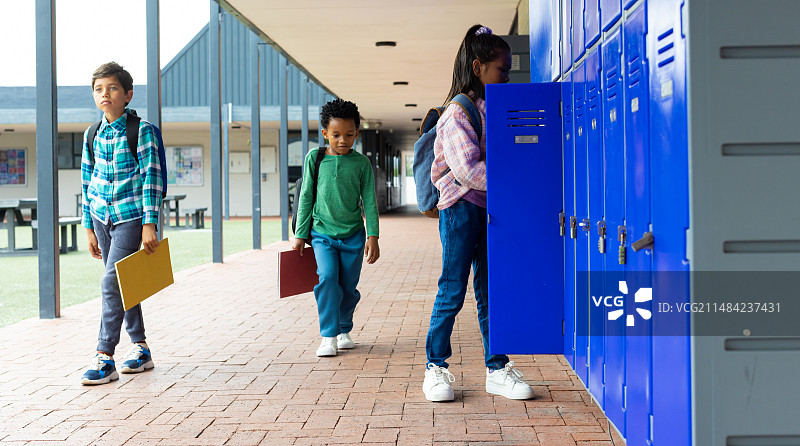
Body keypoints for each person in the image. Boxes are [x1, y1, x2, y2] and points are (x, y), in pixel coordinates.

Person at [422, 25, 535, 402]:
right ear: (477, 67)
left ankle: (497, 368)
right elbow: (468, 171)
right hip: (460, 211)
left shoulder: (492, 108)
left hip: (489, 210)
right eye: (502, 69)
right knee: (452, 289)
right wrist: (517, 182)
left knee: (491, 290)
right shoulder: (458, 112)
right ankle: (435, 368)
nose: (507, 77)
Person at [80, 62, 162, 385]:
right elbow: (87, 180)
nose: (105, 94)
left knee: (110, 282)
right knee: (124, 283)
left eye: (112, 88)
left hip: (131, 216)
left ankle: (105, 355)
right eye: (99, 89)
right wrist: (89, 226)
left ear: (127, 95)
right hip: (101, 217)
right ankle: (141, 347)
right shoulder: (92, 134)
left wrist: (149, 223)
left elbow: (152, 177)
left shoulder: (140, 130)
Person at [292, 99, 380, 357]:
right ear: (325, 133)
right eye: (336, 135)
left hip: (353, 236)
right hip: (322, 234)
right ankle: (328, 335)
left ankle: (344, 329)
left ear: (357, 133)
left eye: (349, 135)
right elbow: (306, 196)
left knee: (348, 287)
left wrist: (373, 236)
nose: (343, 140)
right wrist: (300, 234)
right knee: (328, 278)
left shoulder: (361, 163)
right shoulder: (315, 158)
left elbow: (370, 201)